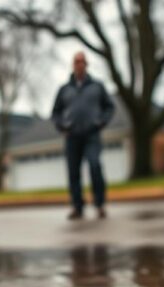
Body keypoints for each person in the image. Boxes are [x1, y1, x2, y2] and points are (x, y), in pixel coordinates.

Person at [51, 51, 115, 220]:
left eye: (82, 62)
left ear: (86, 65)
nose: (79, 64)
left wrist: (101, 122)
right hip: (72, 136)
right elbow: (55, 112)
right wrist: (62, 126)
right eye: (76, 61)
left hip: (91, 135)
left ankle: (100, 204)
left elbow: (109, 107)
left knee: (95, 166)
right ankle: (77, 207)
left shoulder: (97, 86)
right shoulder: (65, 89)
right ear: (73, 65)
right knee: (73, 173)